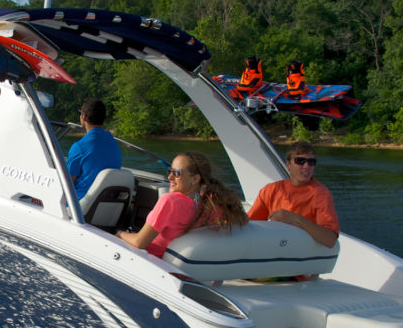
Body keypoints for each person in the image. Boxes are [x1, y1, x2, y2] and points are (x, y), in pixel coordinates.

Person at [117, 151, 248, 258]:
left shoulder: (170, 201)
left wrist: (119, 234)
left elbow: (140, 242)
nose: (170, 177)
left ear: (195, 179)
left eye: (177, 173)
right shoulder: (214, 206)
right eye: (170, 171)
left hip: (151, 261)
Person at [248, 141, 338, 248]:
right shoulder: (271, 190)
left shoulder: (320, 194)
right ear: (288, 165)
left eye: (311, 162)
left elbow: (330, 239)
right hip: (276, 250)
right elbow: (250, 223)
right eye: (300, 161)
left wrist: (295, 218)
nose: (306, 166)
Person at [66, 98, 122, 199]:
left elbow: (67, 185)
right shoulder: (114, 143)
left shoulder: (79, 147)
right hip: (106, 205)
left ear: (83, 116)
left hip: (79, 207)